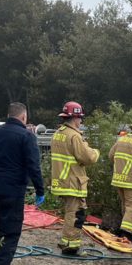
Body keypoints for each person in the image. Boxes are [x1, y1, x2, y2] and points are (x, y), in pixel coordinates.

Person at [0, 102, 44, 265]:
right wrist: (40, 191)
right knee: (9, 233)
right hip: (11, 191)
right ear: (24, 117)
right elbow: (34, 166)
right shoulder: (26, 136)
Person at [50, 101, 100, 255]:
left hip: (62, 180)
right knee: (76, 214)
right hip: (73, 181)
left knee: (70, 212)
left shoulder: (58, 133)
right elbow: (88, 157)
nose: (81, 121)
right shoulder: (74, 136)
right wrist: (96, 151)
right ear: (75, 118)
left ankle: (66, 242)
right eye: (80, 118)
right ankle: (71, 247)